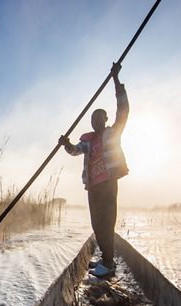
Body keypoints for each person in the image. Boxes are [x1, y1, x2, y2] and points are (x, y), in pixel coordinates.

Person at [58, 62, 129, 278]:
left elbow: (123, 110)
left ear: (105, 120)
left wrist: (116, 79)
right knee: (97, 226)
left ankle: (108, 265)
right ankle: (106, 259)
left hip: (108, 184)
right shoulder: (87, 140)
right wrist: (66, 144)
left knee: (106, 224)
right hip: (93, 187)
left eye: (99, 118)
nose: (96, 121)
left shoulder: (112, 133)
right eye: (93, 119)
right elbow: (74, 151)